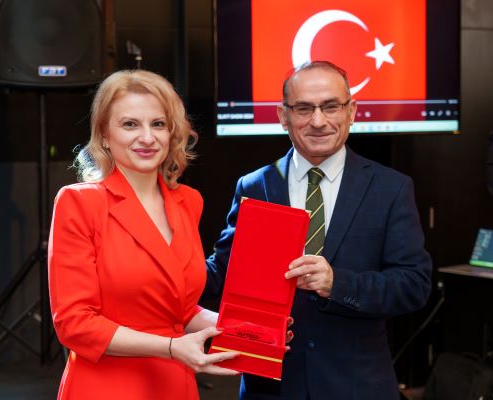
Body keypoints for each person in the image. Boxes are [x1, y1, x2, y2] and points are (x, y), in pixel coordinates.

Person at [204, 61, 432, 400]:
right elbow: (223, 272)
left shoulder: (391, 188)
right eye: (303, 108)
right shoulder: (255, 186)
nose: (318, 121)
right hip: (271, 388)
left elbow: (414, 285)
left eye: (330, 106)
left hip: (358, 387)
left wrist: (337, 283)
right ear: (283, 116)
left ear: (351, 111)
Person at [47, 69, 240, 400]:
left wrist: (245, 330)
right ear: (104, 135)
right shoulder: (79, 203)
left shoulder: (188, 202)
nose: (147, 137)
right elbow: (74, 324)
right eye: (130, 124)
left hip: (175, 384)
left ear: (172, 132)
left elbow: (177, 308)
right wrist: (171, 347)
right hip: (106, 386)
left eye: (158, 124)